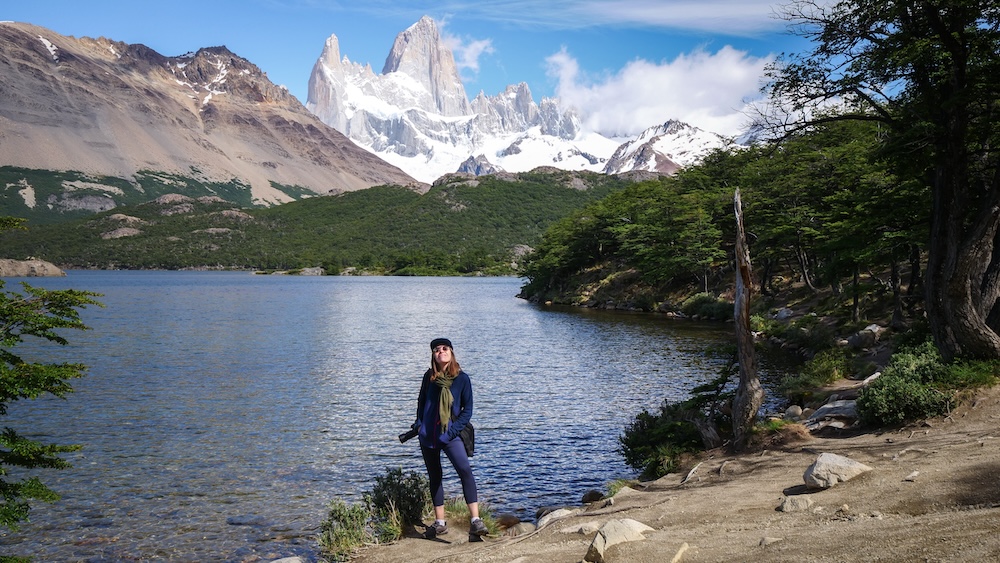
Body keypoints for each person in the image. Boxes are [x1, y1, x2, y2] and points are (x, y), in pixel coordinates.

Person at [412, 337, 487, 538]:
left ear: (451, 352)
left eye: (445, 348)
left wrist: (452, 433)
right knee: (435, 477)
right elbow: (421, 402)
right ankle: (439, 522)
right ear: (433, 355)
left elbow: (467, 410)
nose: (441, 352)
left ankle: (475, 521)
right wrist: (419, 425)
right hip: (428, 436)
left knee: (465, 471)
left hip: (450, 435)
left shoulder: (462, 379)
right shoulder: (429, 377)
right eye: (436, 350)